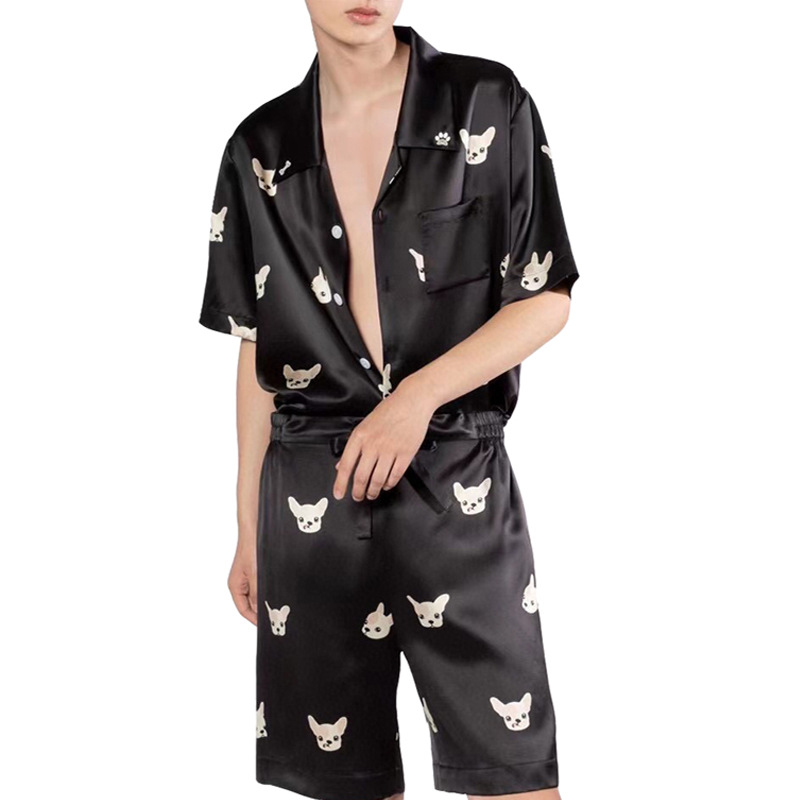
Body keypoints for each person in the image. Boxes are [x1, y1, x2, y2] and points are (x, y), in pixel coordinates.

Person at [199, 2, 580, 798]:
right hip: (311, 501)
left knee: (517, 779)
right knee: (343, 784)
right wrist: (247, 526)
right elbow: (256, 346)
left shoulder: (487, 101)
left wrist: (416, 399)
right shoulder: (259, 148)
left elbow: (546, 299)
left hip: (457, 487)